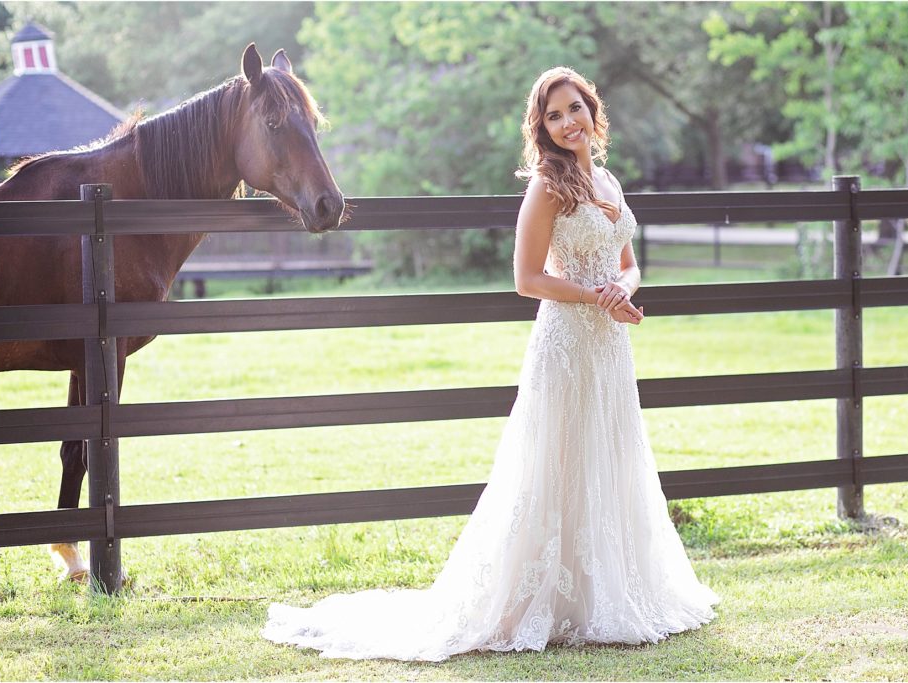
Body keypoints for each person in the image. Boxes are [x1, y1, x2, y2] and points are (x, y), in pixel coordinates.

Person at [261, 66, 721, 662]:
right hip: (564, 342)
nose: (566, 123)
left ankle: (602, 591)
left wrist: (621, 291)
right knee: (551, 463)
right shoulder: (547, 186)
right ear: (543, 128)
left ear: (592, 109)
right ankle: (536, 599)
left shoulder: (608, 181)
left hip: (608, 346)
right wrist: (592, 295)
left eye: (574, 108)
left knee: (609, 452)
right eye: (553, 116)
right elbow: (526, 279)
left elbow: (628, 262)